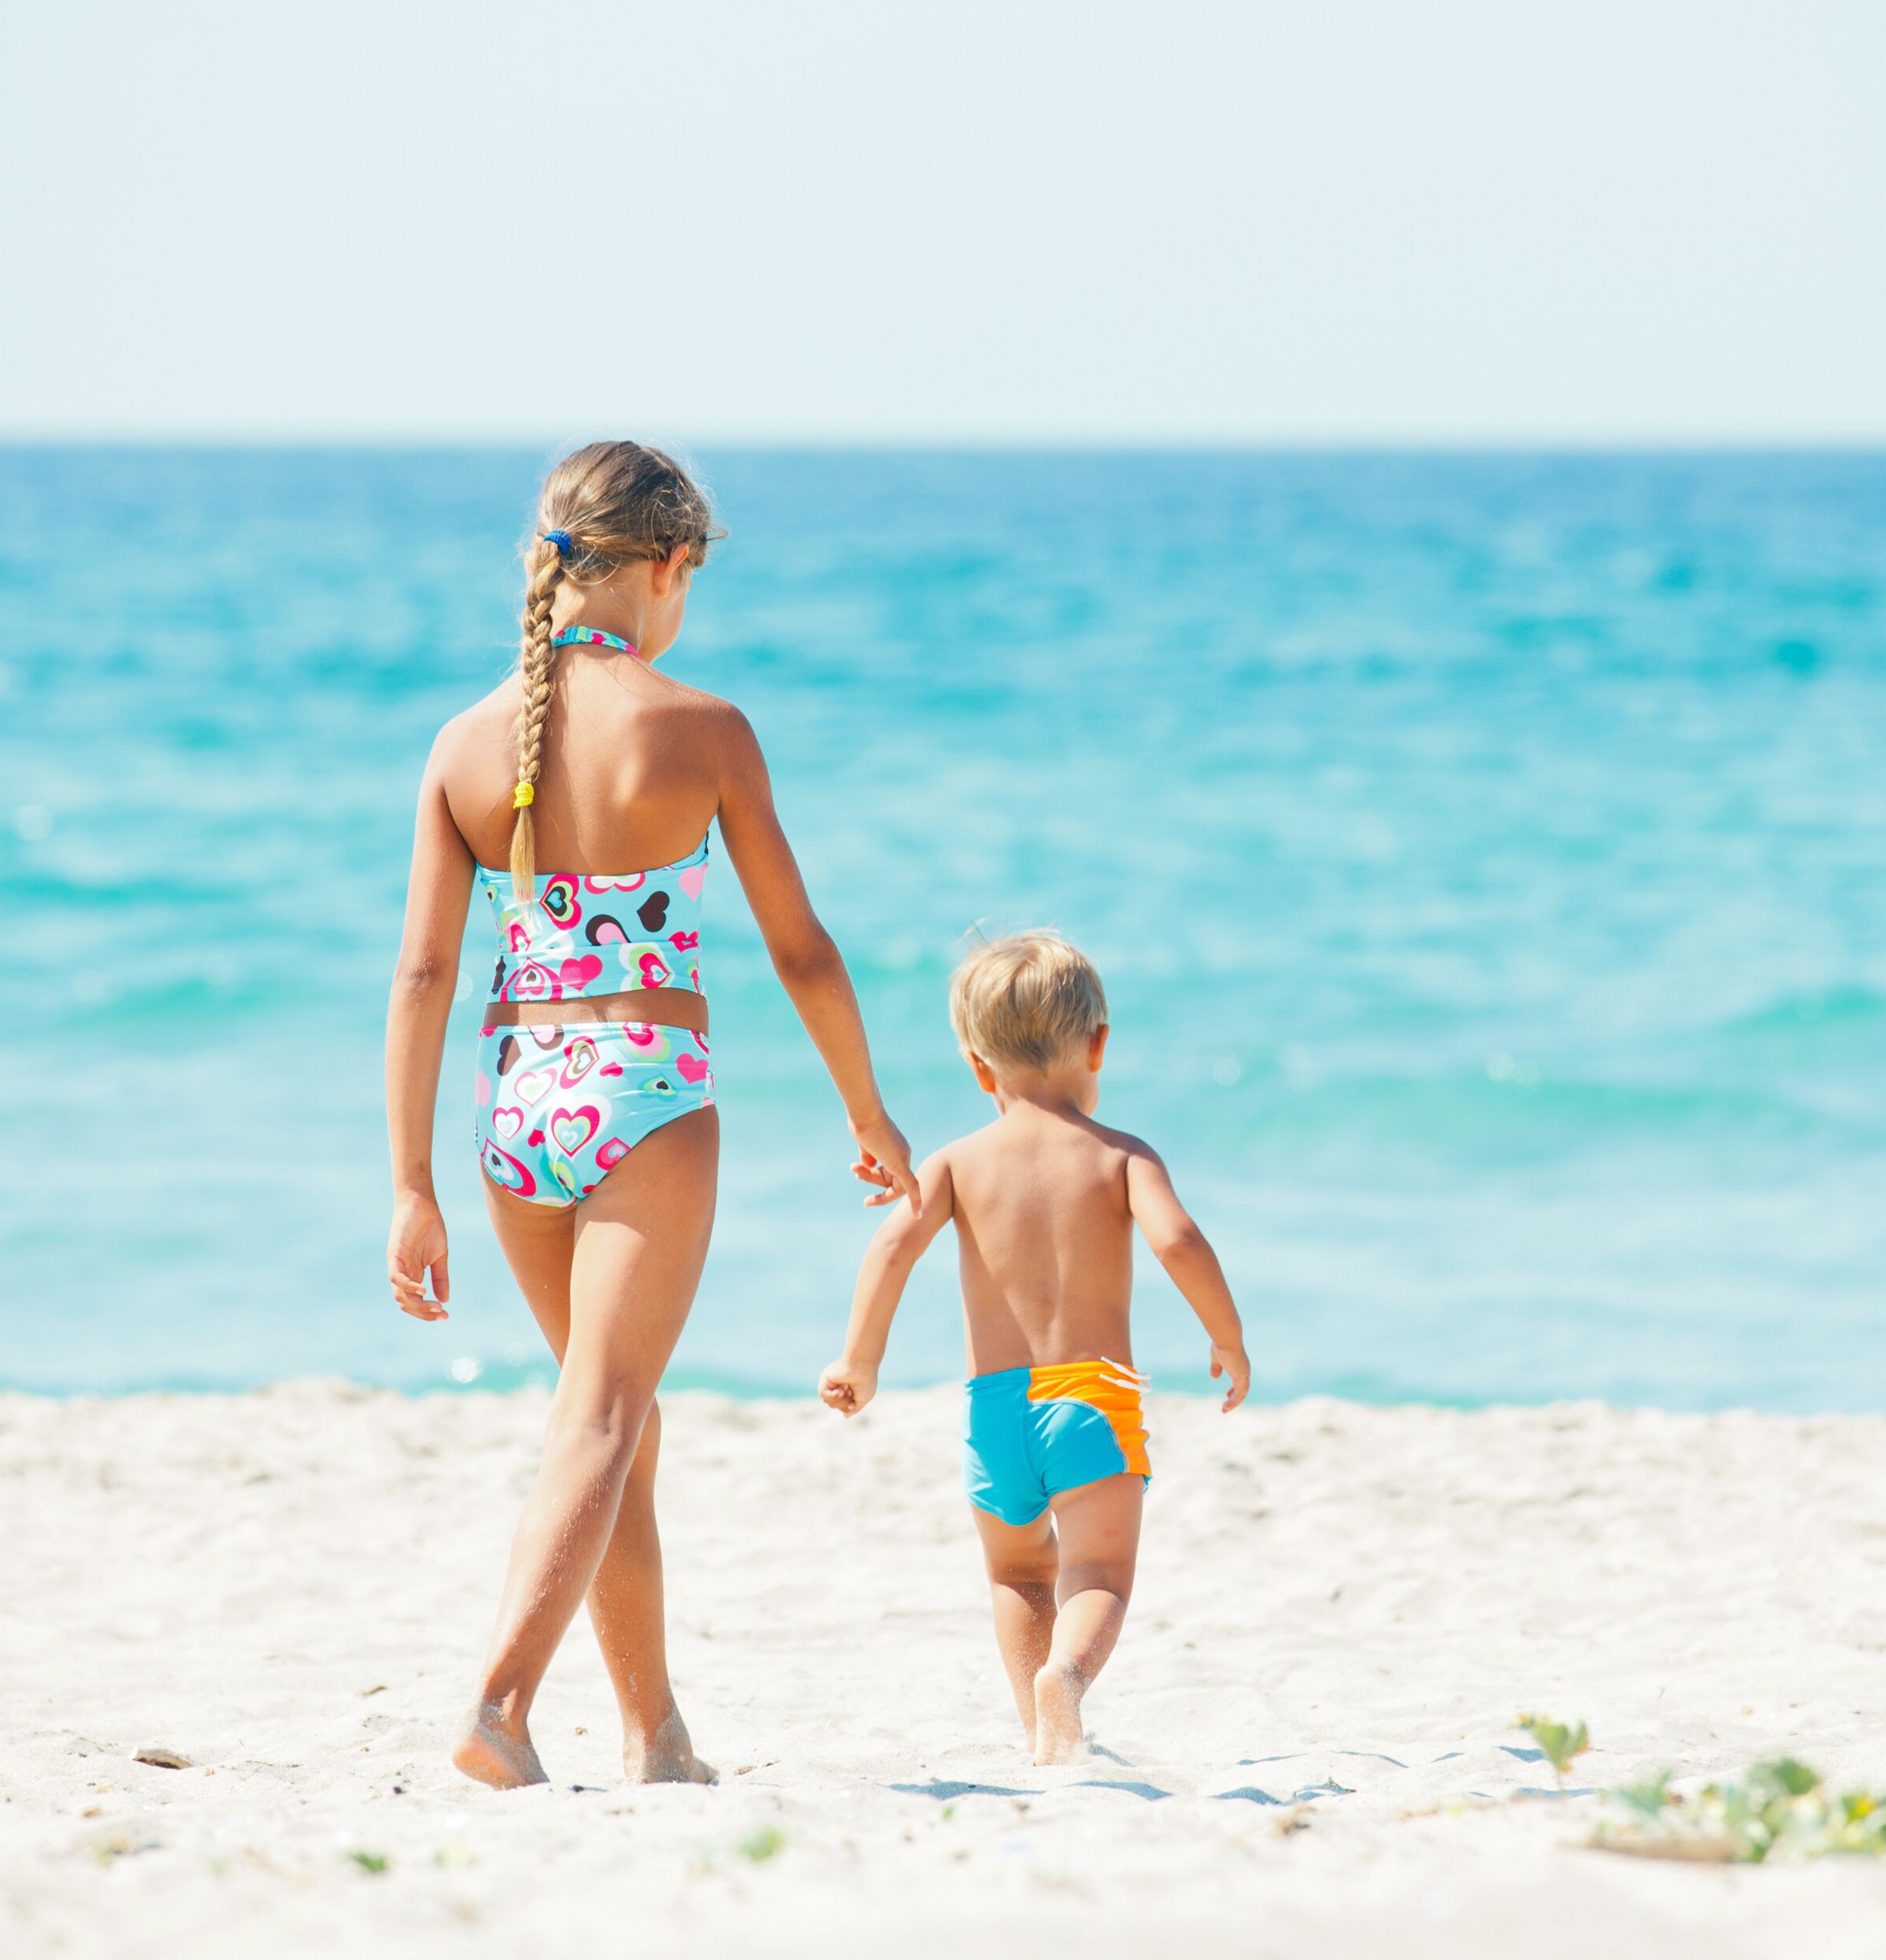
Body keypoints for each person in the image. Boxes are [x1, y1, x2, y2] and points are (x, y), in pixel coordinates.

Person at [383, 441, 917, 1789]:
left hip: (518, 1110)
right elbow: (800, 946)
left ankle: (654, 1732)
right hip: (643, 1094)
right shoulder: (703, 727)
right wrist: (871, 1109)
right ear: (670, 566)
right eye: (692, 581)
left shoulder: (463, 741)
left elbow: (424, 976)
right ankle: (500, 1702)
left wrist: (412, 1181)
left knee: (610, 1411)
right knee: (606, 1416)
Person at [817, 930, 1249, 1763]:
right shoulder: (1122, 1156)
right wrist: (1225, 1336)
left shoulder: (953, 1163)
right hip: (1091, 1399)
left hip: (994, 1411)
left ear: (979, 1070)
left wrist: (859, 1361)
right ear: (1098, 1045)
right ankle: (1069, 1683)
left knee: (1016, 1573)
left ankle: (1040, 1733)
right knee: (1100, 1577)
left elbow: (891, 1250)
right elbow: (1180, 1242)